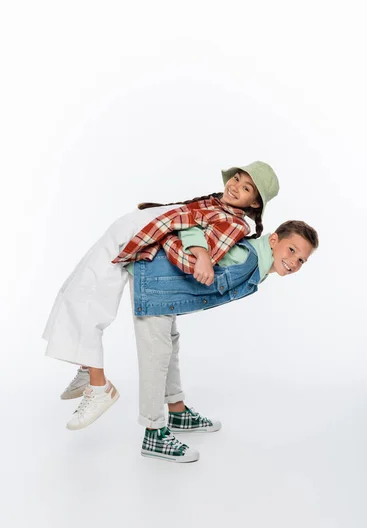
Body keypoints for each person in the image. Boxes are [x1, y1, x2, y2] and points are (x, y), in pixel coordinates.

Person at [43, 163, 280, 449]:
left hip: (134, 236)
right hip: (132, 231)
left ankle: (98, 383)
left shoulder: (235, 223)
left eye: (245, 188)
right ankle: (89, 370)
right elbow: (188, 230)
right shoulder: (219, 206)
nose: (235, 185)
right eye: (237, 178)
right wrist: (195, 248)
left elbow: (187, 252)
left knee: (87, 294)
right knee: (79, 290)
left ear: (254, 202)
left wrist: (200, 254)